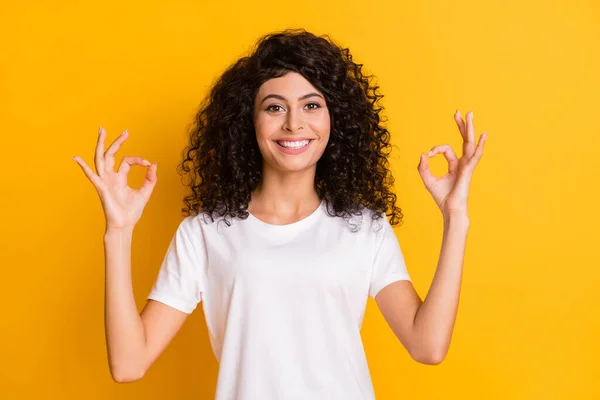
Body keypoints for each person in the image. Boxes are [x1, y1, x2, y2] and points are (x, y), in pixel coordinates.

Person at [73, 29, 488, 399]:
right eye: (274, 107)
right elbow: (129, 365)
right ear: (246, 122)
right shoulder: (205, 232)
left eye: (311, 105)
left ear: (335, 119)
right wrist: (119, 231)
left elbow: (427, 346)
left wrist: (456, 217)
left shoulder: (365, 229)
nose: (294, 124)